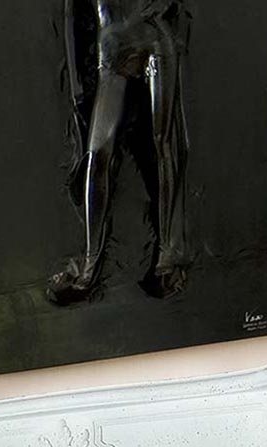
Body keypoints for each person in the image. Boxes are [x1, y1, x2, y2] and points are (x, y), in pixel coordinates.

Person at [47, 0, 189, 305]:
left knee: (164, 144)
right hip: (114, 47)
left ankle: (168, 252)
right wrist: (75, 84)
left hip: (153, 39)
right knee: (98, 155)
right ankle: (90, 264)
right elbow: (71, 13)